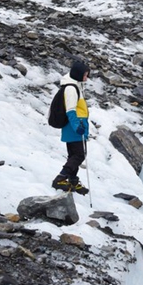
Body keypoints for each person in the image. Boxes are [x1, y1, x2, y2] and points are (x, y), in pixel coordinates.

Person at [51, 60, 90, 195]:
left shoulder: (75, 86)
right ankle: (61, 178)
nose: (86, 78)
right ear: (78, 74)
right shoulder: (71, 89)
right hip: (74, 126)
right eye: (85, 75)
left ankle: (73, 180)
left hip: (76, 126)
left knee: (74, 155)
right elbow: (71, 110)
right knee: (79, 155)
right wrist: (77, 127)